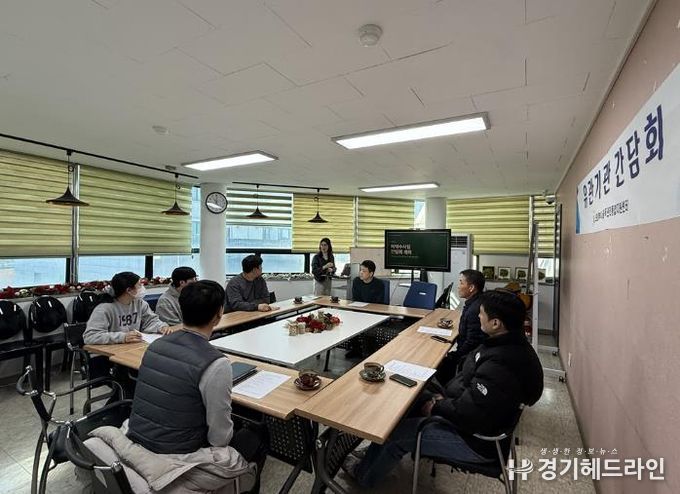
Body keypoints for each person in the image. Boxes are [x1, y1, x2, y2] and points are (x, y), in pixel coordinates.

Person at [344, 289, 544, 488]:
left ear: (496, 323)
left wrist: (437, 406)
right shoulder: (508, 345)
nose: (478, 317)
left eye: (481, 313)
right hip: (463, 411)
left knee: (397, 435)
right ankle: (374, 453)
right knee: (408, 399)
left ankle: (363, 475)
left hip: (475, 440)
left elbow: (471, 413)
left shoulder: (502, 363)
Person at [106, 281, 265, 491]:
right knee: (257, 434)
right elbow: (219, 439)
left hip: (138, 435)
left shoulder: (155, 346)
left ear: (182, 309)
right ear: (219, 314)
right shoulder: (217, 363)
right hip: (177, 452)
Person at [83, 271, 173, 398]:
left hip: (130, 349)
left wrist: (161, 326)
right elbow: (90, 336)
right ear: (129, 290)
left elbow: (151, 320)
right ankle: (124, 404)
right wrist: (122, 337)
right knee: (139, 376)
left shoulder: (139, 303)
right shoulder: (104, 308)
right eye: (139, 285)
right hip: (107, 358)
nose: (142, 288)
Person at [435, 269, 487, 384]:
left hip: (468, 357)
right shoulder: (476, 302)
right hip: (468, 353)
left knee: (439, 362)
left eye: (461, 283)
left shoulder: (474, 309)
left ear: (471, 288)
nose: (458, 287)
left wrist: (455, 355)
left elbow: (472, 342)